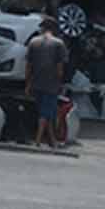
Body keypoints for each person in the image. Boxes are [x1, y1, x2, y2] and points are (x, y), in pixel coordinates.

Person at [26, 16, 71, 150]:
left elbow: (28, 66)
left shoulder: (33, 42)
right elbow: (60, 68)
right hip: (51, 83)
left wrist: (28, 84)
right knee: (46, 113)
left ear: (42, 28)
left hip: (36, 82)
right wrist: (60, 82)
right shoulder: (58, 44)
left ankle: (52, 141)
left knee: (47, 112)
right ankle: (38, 141)